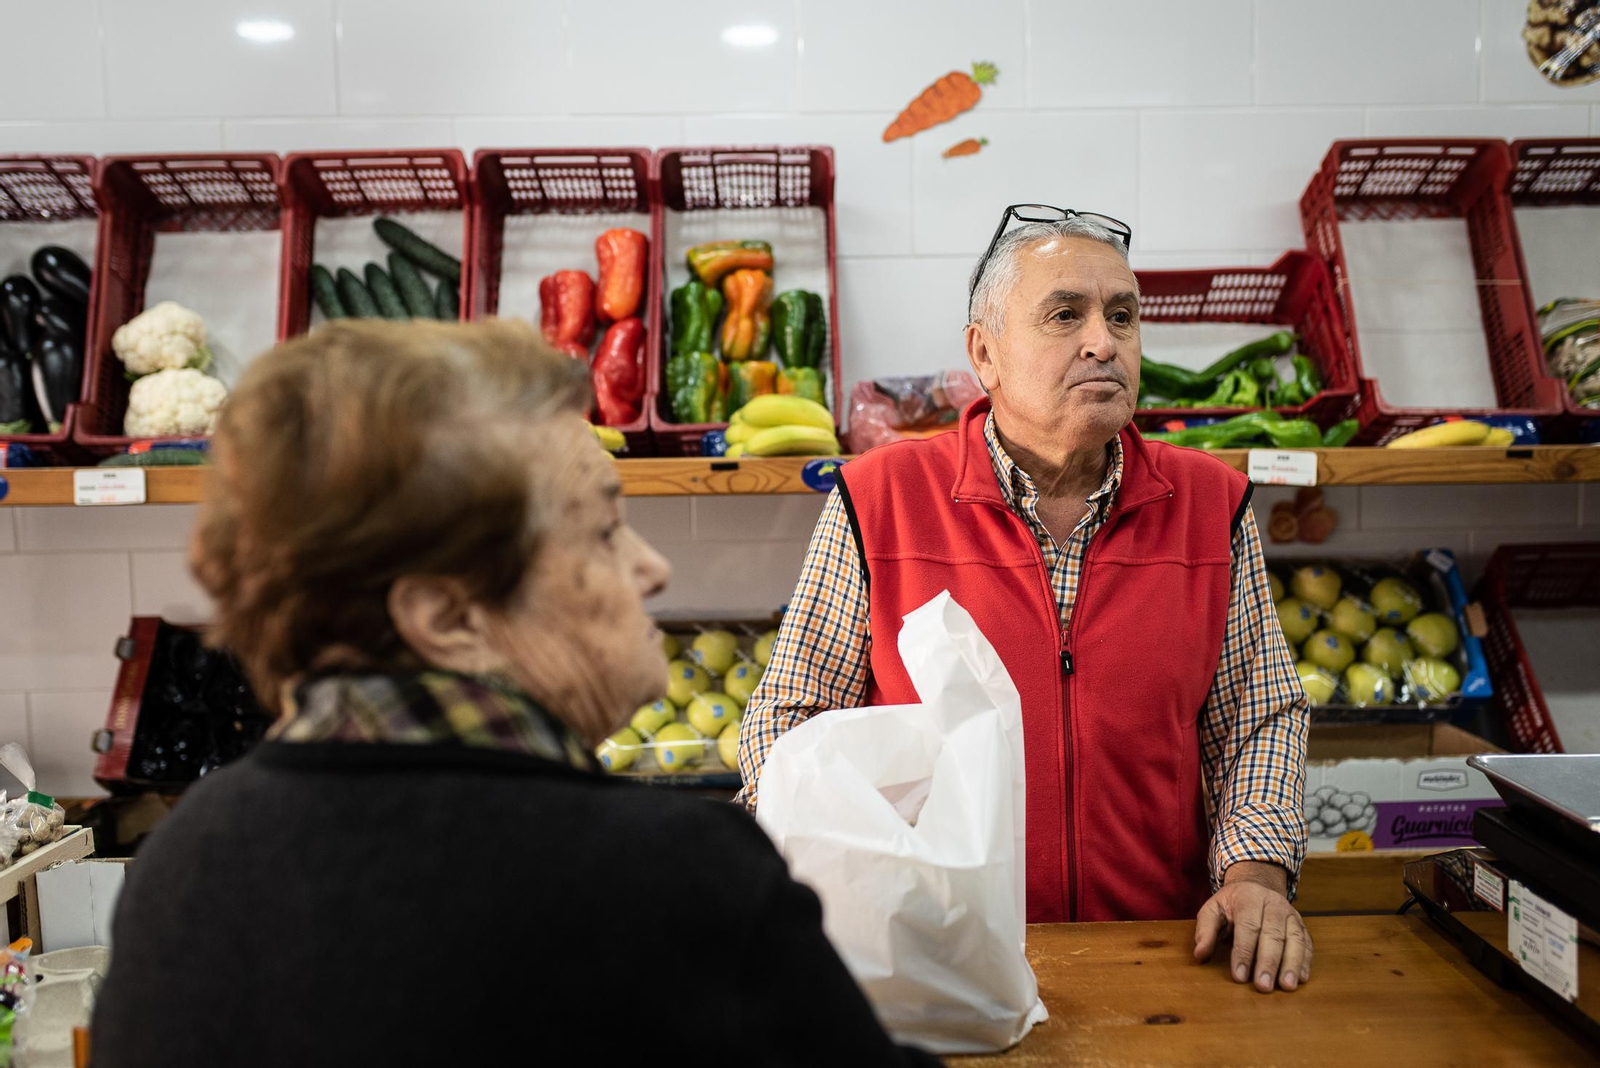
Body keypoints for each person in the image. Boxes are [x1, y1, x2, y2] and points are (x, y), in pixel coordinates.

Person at [91, 320, 942, 1067]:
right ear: (445, 616)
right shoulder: (671, 875)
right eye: (603, 532)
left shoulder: (184, 860)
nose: (652, 568)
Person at [737, 206, 1313, 994]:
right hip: (934, 963)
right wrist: (830, 880)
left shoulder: (1211, 504)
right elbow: (790, 722)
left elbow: (1259, 717)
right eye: (1065, 315)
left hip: (1162, 958)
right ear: (986, 354)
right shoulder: (878, 501)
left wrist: (1256, 874)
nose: (1103, 341)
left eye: (1122, 316)